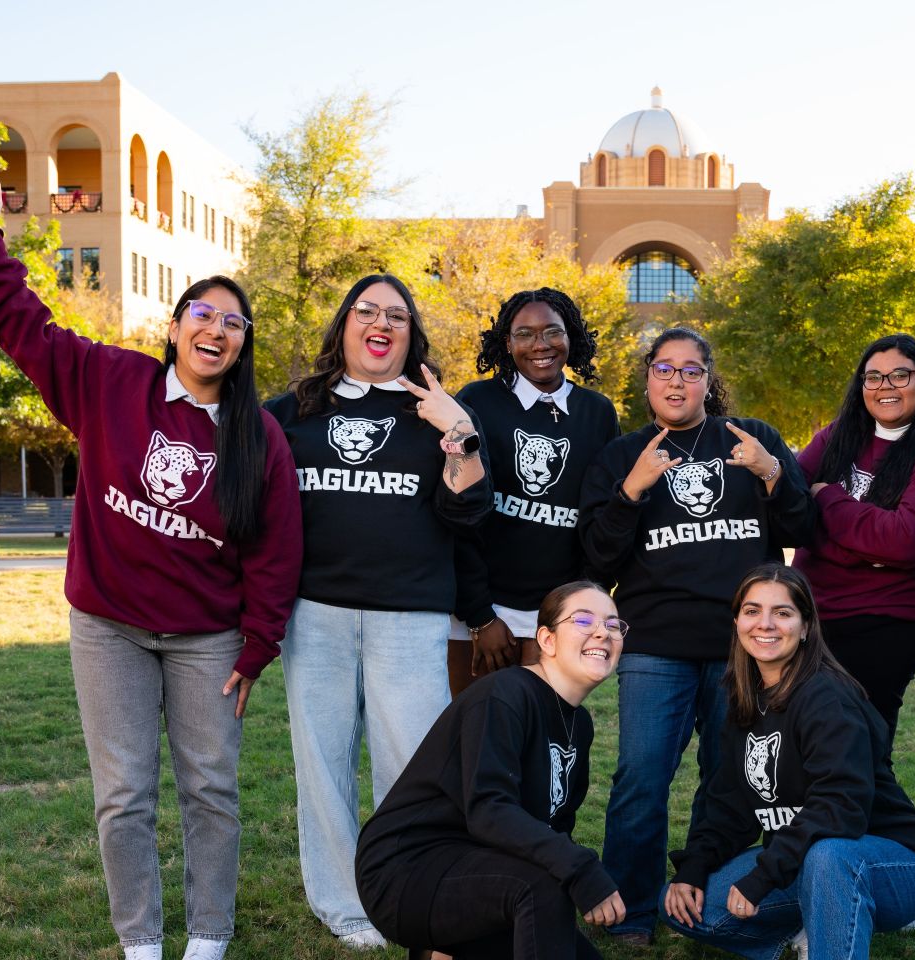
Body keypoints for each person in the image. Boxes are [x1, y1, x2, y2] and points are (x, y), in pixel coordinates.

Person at [0, 159, 303, 960]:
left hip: (208, 639)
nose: (216, 331)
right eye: (203, 315)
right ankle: (141, 943)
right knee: (124, 794)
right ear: (175, 327)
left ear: (243, 346)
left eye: (233, 324)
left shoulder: (258, 438)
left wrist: (257, 646)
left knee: (210, 790)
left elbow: (277, 553)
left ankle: (207, 937)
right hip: (108, 628)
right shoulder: (110, 382)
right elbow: (25, 330)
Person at [264, 274, 490, 950]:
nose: (380, 322)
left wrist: (462, 435)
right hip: (317, 615)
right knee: (324, 765)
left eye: (395, 314)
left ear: (410, 335)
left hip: (410, 617)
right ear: (344, 326)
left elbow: (468, 512)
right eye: (366, 310)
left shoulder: (435, 412)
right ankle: (344, 905)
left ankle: (410, 890)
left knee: (411, 764)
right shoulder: (291, 411)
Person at [578, 327, 814, 943]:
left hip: (744, 648)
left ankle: (712, 897)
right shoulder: (622, 453)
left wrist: (771, 475)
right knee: (640, 778)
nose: (677, 380)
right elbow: (598, 559)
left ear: (710, 379)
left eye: (690, 369)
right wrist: (631, 490)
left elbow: (803, 526)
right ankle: (632, 908)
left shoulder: (752, 438)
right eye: (664, 369)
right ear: (648, 381)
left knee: (732, 777)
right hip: (656, 644)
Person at [663, 564, 915, 960]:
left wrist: (763, 876)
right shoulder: (743, 700)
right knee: (685, 906)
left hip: (894, 865)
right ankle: (808, 926)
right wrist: (693, 868)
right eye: (753, 610)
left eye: (783, 612)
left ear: (806, 625)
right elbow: (727, 805)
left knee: (829, 855)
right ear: (738, 621)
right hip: (803, 862)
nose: (766, 624)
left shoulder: (827, 697)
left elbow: (839, 807)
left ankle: (831, 934)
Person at [357, 581, 628, 959]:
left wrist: (569, 866)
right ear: (547, 640)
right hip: (407, 870)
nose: (602, 631)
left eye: (614, 625)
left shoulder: (579, 725)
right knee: (544, 886)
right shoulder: (504, 695)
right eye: (583, 620)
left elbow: (554, 825)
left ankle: (441, 951)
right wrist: (580, 869)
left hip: (480, 867)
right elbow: (489, 809)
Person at [792, 333, 915, 746]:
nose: (885, 387)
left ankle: (874, 814)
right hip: (816, 616)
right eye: (873, 377)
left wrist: (828, 498)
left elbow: (906, 541)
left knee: (860, 744)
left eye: (899, 375)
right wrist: (866, 544)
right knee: (805, 739)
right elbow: (793, 506)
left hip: (888, 622)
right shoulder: (837, 436)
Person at [448, 288, 620, 695]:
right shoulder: (476, 402)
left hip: (556, 612)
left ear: (571, 337)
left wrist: (579, 607)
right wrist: (479, 617)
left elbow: (600, 517)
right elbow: (456, 515)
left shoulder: (597, 413)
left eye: (552, 332)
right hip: (483, 611)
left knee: (545, 739)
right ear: (506, 343)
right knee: (476, 732)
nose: (540, 345)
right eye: (524, 333)